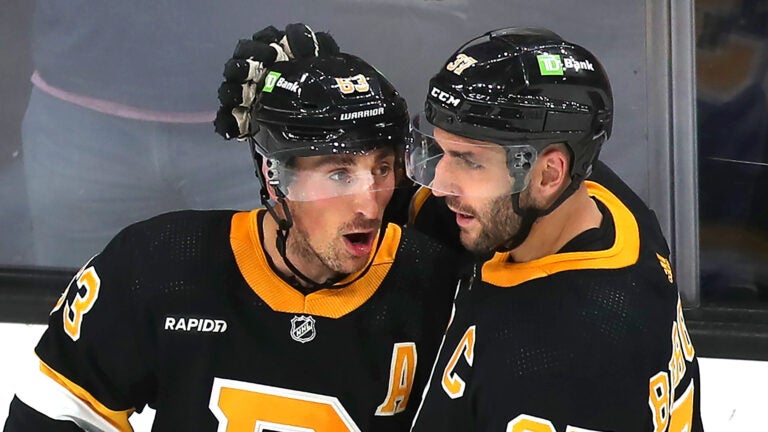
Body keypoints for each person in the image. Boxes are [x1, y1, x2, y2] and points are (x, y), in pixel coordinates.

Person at [4, 41, 459, 431]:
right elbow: (56, 415)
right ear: (273, 175)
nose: (369, 204)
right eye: (339, 174)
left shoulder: (439, 286)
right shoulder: (158, 264)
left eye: (382, 169)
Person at [405, 28, 705, 431]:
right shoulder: (605, 206)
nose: (439, 184)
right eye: (441, 152)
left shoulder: (566, 365)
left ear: (548, 174)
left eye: (469, 161)